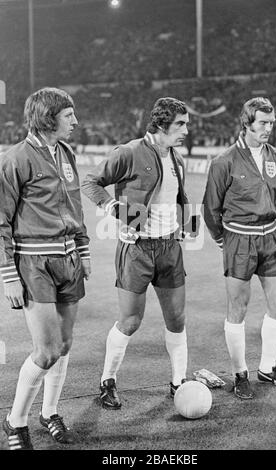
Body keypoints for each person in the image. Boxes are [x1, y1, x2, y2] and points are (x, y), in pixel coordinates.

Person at [82, 97, 198, 409]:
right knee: (130, 321)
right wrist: (112, 208)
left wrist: (190, 224)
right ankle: (108, 381)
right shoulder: (129, 152)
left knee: (177, 318)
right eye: (180, 124)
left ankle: (178, 383)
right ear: (161, 124)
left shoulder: (177, 158)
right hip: (137, 249)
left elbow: (179, 197)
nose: (187, 130)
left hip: (170, 247)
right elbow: (90, 182)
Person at [0, 87, 91, 449]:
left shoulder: (65, 153)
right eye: (69, 116)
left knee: (65, 345)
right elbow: (0, 220)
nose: (76, 122)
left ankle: (49, 411)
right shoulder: (16, 158)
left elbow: (76, 207)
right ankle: (15, 421)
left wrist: (83, 251)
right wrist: (8, 275)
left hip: (68, 258)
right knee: (47, 350)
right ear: (49, 117)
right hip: (33, 262)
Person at [202, 97, 276, 400]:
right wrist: (223, 239)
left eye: (272, 122)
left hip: (271, 236)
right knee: (238, 310)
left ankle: (267, 368)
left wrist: (265, 212)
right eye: (263, 123)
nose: (269, 128)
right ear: (247, 123)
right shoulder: (224, 161)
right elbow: (210, 208)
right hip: (239, 239)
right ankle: (240, 372)